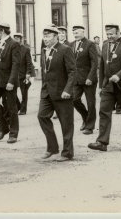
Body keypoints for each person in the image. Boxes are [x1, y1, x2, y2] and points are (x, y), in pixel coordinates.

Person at [88, 24, 121, 151]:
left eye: (112, 34)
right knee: (104, 112)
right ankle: (102, 142)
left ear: (118, 32)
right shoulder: (104, 46)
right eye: (108, 34)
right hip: (108, 86)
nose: (109, 37)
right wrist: (100, 86)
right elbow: (102, 67)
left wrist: (119, 76)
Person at [38, 26, 77, 161]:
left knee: (66, 124)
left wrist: (67, 90)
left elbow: (72, 71)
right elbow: (45, 71)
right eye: (44, 36)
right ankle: (52, 148)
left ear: (56, 36)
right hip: (47, 92)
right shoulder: (44, 51)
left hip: (62, 93)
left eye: (48, 36)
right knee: (42, 116)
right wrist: (43, 88)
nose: (45, 39)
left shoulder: (65, 50)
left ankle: (67, 153)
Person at [0, 23, 21, 144]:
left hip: (9, 81)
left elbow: (16, 64)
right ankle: (3, 127)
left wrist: (11, 81)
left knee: (11, 107)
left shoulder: (14, 44)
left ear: (2, 31)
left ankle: (13, 133)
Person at [70, 25, 98, 135]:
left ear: (83, 32)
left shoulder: (90, 44)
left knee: (91, 103)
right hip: (76, 79)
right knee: (74, 99)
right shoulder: (71, 44)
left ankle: (90, 127)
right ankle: (86, 117)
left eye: (77, 33)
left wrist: (90, 77)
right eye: (74, 33)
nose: (75, 35)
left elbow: (94, 62)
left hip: (88, 79)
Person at [12, 33, 35, 115]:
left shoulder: (25, 49)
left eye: (18, 38)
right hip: (14, 75)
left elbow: (29, 62)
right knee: (12, 92)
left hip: (23, 74)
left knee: (24, 92)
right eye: (15, 38)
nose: (16, 39)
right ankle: (18, 105)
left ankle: (23, 109)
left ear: (21, 39)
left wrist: (28, 73)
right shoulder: (12, 48)